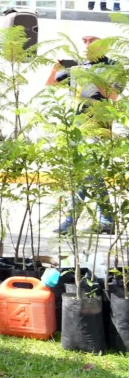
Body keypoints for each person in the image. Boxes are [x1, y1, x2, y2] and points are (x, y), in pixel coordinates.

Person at [47, 35, 118, 234]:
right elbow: (50, 87)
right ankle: (107, 220)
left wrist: (94, 78)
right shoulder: (77, 66)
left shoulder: (114, 66)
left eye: (92, 40)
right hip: (75, 128)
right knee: (89, 175)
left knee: (87, 173)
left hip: (97, 127)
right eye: (84, 41)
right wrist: (56, 68)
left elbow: (112, 96)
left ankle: (70, 222)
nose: (87, 44)